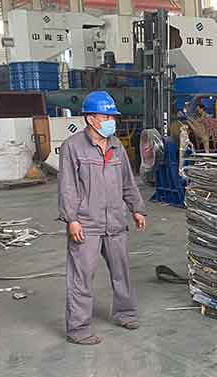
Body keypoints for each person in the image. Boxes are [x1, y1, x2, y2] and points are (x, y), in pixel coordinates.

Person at [58, 91, 147, 345]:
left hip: (115, 222)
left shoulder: (116, 146)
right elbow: (67, 186)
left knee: (122, 272)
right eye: (106, 116)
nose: (111, 121)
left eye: (112, 117)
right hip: (86, 223)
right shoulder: (73, 147)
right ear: (90, 119)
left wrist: (137, 209)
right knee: (82, 277)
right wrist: (71, 219)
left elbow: (127, 181)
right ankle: (78, 328)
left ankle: (125, 313)